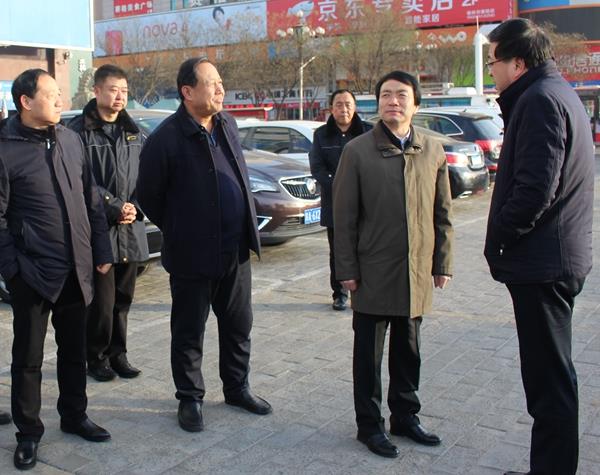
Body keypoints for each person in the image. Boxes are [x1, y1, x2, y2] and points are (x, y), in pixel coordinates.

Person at [137, 57, 271, 433]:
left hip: (234, 250)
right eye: (211, 83)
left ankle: (237, 388)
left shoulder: (226, 124)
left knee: (238, 325)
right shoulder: (165, 139)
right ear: (187, 91)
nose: (220, 88)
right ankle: (190, 398)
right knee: (189, 331)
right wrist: (182, 228)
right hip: (191, 254)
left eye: (220, 81)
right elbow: (149, 196)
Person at [484, 19, 594, 475]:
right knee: (551, 377)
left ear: (518, 63)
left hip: (545, 263)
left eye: (493, 62)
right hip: (553, 258)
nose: (491, 71)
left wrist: (500, 238)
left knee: (549, 383)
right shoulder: (554, 93)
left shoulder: (540, 100)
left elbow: (534, 190)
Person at [333, 71, 453, 458]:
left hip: (415, 271)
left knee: (408, 351)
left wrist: (442, 262)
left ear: (415, 104)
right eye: (386, 95)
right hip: (372, 271)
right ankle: (369, 425)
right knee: (368, 356)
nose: (393, 101)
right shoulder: (358, 151)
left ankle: (405, 417)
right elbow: (344, 217)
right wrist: (346, 270)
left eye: (401, 95)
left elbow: (442, 214)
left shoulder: (432, 150)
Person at [0, 69, 114, 470]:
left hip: (76, 268)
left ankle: (74, 415)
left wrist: (101, 249)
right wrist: (13, 270)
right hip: (32, 273)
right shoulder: (5, 149)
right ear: (25, 101)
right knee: (28, 358)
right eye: (51, 95)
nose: (60, 101)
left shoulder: (69, 139)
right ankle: (28, 433)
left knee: (73, 351)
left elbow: (91, 199)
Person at [69, 64, 148, 382]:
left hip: (130, 228)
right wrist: (113, 205)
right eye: (113, 90)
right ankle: (96, 356)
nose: (120, 96)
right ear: (97, 91)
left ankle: (119, 354)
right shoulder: (78, 132)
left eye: (124, 91)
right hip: (97, 230)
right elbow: (78, 179)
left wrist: (135, 208)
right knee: (101, 301)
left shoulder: (134, 131)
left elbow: (148, 175)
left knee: (123, 299)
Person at [309, 89, 371, 311]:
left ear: (354, 107)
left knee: (366, 247)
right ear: (331, 108)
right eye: (338, 104)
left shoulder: (369, 132)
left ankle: (366, 291)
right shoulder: (321, 135)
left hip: (365, 203)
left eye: (348, 104)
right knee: (338, 251)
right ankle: (340, 294)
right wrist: (340, 185)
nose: (343, 109)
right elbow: (317, 168)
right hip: (334, 203)